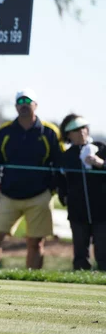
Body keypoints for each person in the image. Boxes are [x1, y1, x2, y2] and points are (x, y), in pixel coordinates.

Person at [0, 89, 62, 269]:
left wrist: (52, 189)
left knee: (35, 242)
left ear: (36, 105)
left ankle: (32, 279)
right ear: (16, 106)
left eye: (28, 101)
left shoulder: (50, 132)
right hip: (8, 195)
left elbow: (59, 165)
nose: (24, 104)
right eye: (20, 101)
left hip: (39, 196)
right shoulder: (5, 131)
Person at [57, 115, 106, 271]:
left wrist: (101, 164)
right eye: (76, 130)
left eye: (83, 128)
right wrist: (64, 197)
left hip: (102, 211)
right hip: (77, 212)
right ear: (68, 134)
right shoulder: (66, 156)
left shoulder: (101, 148)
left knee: (103, 251)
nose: (81, 132)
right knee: (80, 253)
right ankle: (81, 278)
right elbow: (60, 181)